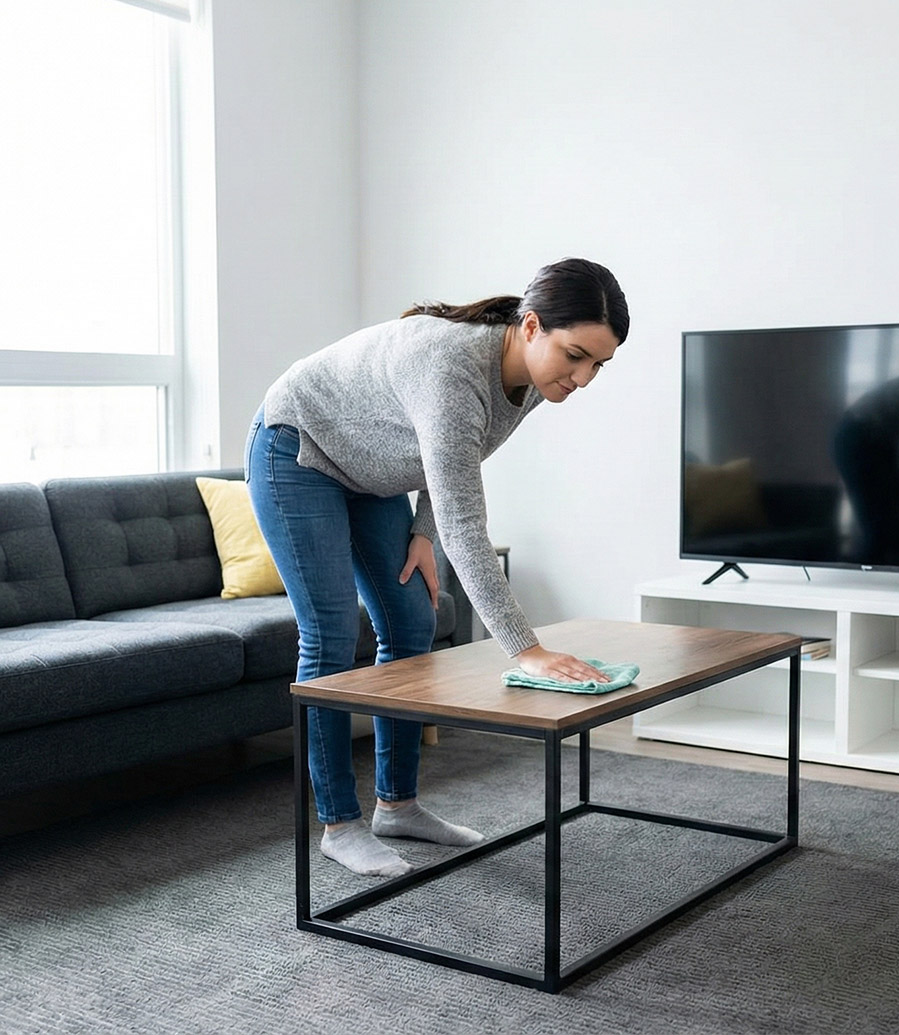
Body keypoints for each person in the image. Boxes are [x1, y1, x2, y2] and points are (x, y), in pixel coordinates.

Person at [246, 257, 628, 878]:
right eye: (575, 356)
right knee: (331, 632)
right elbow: (466, 525)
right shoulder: (452, 366)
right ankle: (339, 825)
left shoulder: (534, 380)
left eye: (598, 365)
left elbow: (451, 454)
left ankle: (397, 806)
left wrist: (422, 531)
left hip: (371, 472)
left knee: (410, 622)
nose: (582, 378)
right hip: (299, 449)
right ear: (532, 326)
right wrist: (526, 650)